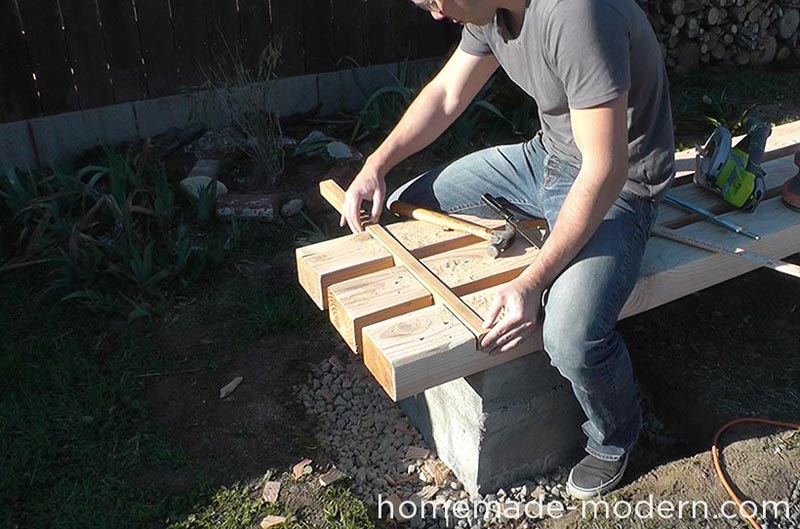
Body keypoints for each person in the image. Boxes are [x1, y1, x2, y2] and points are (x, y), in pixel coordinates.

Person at [340, 0, 675, 499]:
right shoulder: (490, 12)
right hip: (547, 158)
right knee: (412, 200)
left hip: (620, 184)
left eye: (432, 0)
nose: (433, 14)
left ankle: (615, 435)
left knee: (570, 335)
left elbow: (605, 169)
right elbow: (448, 95)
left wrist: (530, 281)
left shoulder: (576, 13)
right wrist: (377, 164)